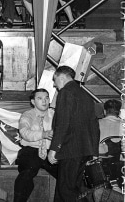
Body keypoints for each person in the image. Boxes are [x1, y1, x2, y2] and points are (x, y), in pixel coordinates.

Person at [48, 65, 99, 201]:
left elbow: (63, 123)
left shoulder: (65, 92)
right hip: (84, 150)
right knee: (73, 189)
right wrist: (94, 150)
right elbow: (94, 124)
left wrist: (54, 149)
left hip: (70, 149)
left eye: (55, 80)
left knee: (66, 190)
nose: (54, 84)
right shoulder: (85, 94)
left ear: (62, 77)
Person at [13, 88, 57, 202]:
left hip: (51, 151)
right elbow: (24, 133)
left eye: (47, 98)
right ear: (33, 102)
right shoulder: (27, 115)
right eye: (40, 98)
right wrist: (43, 134)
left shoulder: (55, 115)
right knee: (26, 175)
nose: (44, 101)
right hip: (31, 150)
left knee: (68, 174)